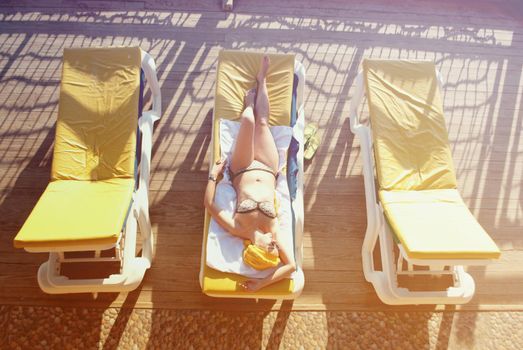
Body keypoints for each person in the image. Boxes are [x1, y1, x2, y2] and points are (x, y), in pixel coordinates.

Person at [204, 55, 296, 292]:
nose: (275, 242)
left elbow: (208, 203)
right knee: (262, 122)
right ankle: (262, 79)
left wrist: (215, 175)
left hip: (241, 168)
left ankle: (248, 103)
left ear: (258, 249)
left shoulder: (237, 227)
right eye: (276, 247)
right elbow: (292, 266)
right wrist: (262, 284)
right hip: (268, 166)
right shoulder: (272, 229)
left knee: (248, 119)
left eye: (271, 247)